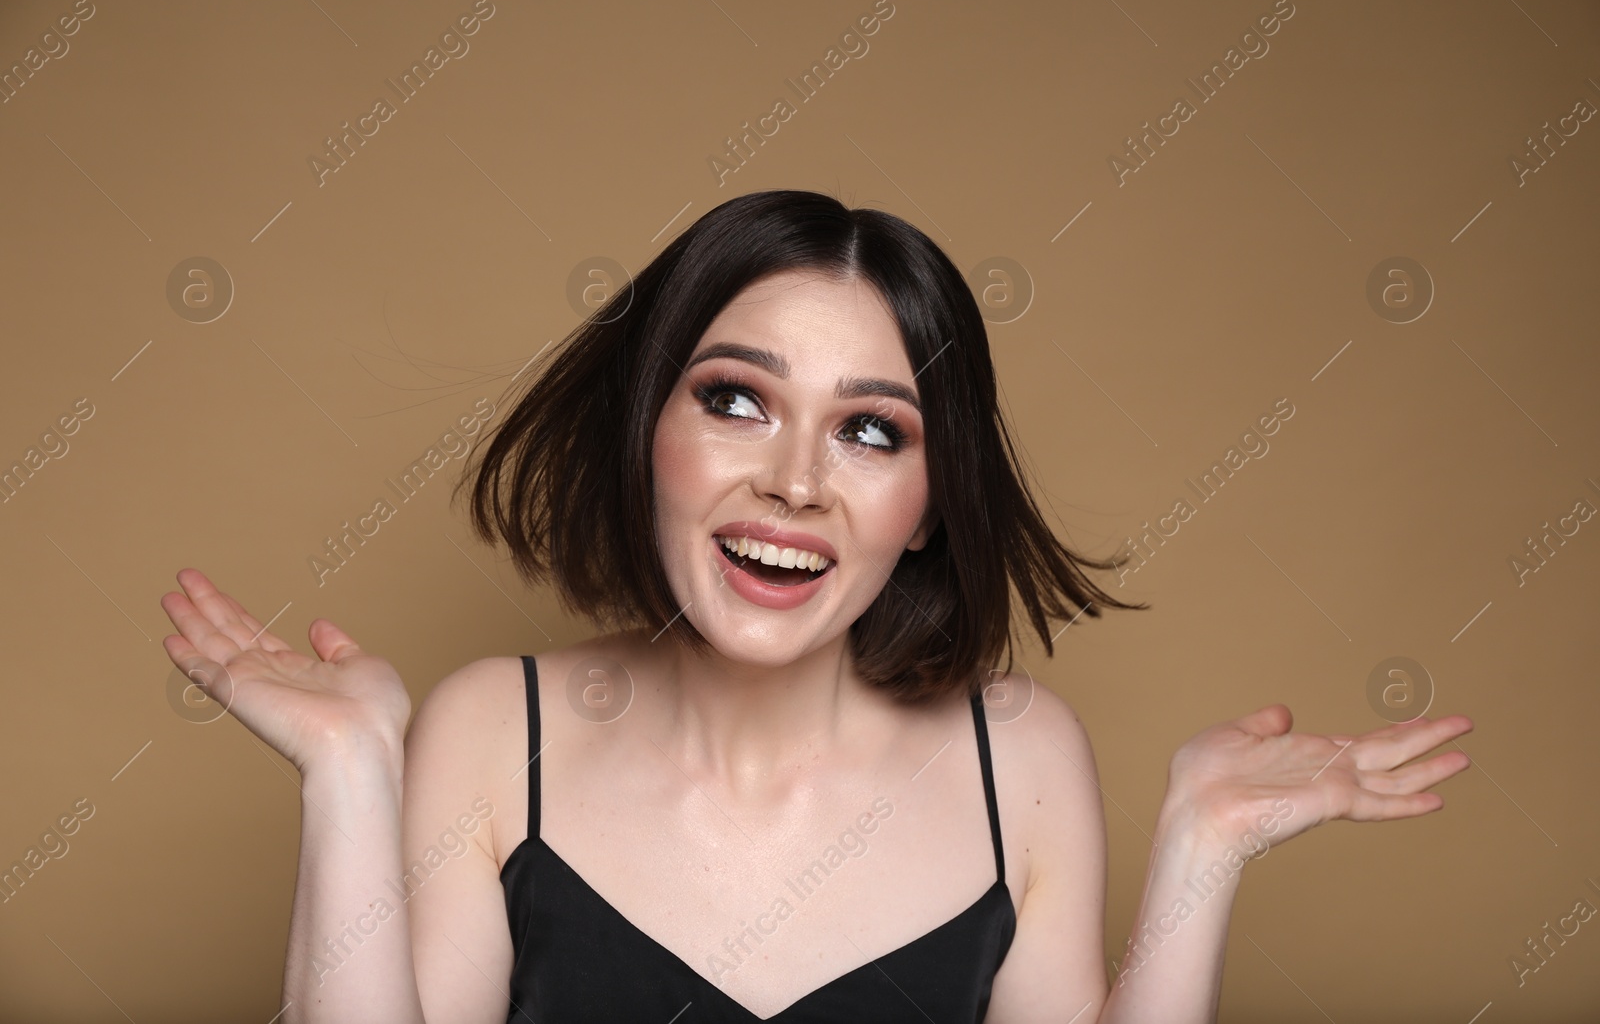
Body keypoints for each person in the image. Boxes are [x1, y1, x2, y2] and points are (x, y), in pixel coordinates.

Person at [158, 189, 1472, 1023]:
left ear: (932, 501)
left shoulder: (1020, 757)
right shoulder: (491, 732)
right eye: (736, 399)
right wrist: (347, 772)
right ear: (648, 432)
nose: (793, 482)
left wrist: (1202, 846)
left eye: (870, 433)